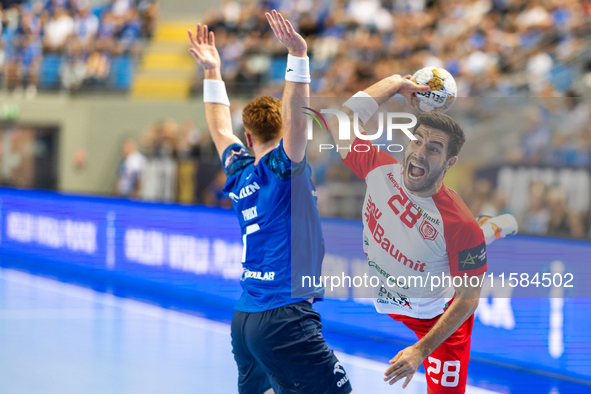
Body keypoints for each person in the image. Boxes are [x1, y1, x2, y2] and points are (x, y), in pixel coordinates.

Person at [188, 10, 353, 394]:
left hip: (245, 318)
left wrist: (213, 71)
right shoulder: (283, 170)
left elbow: (217, 127)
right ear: (280, 131)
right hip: (284, 315)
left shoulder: (240, 172)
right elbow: (298, 124)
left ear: (248, 137)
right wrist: (298, 56)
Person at [324, 80, 517, 393]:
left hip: (436, 315)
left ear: (449, 162)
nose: (420, 152)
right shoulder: (379, 169)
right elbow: (339, 121)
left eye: (434, 148)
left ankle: (487, 230)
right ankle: (488, 229)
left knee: (466, 239)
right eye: (417, 141)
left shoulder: (458, 224)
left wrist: (420, 351)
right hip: (392, 298)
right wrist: (396, 83)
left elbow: (468, 300)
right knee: (454, 243)